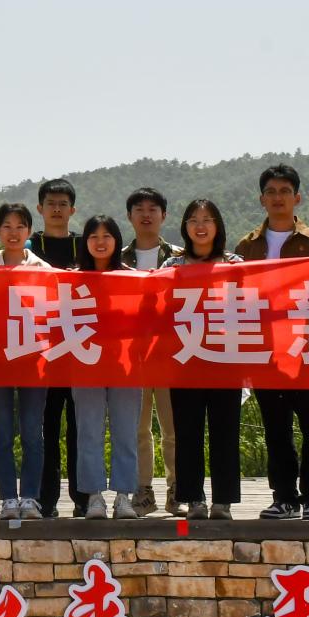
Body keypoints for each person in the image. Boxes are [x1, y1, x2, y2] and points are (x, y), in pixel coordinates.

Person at [235, 163, 309, 521]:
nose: (278, 198)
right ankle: (284, 496)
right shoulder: (247, 246)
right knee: (275, 428)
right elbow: (238, 297)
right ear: (261, 199)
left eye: (284, 191)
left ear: (297, 197)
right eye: (271, 192)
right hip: (265, 349)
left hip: (307, 348)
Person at [167, 199, 245, 519]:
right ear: (185, 226)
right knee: (187, 431)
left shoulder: (235, 263)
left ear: (218, 225)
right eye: (193, 220)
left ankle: (223, 501)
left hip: (225, 358)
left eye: (207, 219)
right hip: (185, 358)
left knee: (225, 430)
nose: (200, 226)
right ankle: (194, 499)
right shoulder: (171, 265)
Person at [74, 215, 141, 520]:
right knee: (89, 431)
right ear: (85, 242)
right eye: (93, 236)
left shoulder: (134, 279)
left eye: (107, 236)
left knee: (126, 431)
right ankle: (94, 497)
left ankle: (124, 496)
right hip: (85, 365)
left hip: (126, 367)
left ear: (117, 240)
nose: (100, 242)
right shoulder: (72, 280)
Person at [0, 203, 49, 519]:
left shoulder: (44, 270)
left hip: (33, 360)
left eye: (20, 226)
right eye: (7, 226)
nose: (13, 233)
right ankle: (8, 498)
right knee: (1, 433)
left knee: (32, 433)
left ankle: (31, 497)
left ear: (29, 231)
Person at [31, 178, 88, 519]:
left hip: (80, 350)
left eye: (62, 203)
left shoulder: (86, 246)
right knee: (45, 430)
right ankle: (46, 499)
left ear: (72, 209)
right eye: (50, 203)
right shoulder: (28, 247)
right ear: (40, 208)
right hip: (41, 352)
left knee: (80, 429)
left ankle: (83, 498)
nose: (56, 209)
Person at [122, 188, 181, 516]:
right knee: (137, 429)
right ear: (129, 216)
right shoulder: (118, 260)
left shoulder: (180, 257)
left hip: (173, 354)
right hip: (132, 356)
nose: (146, 215)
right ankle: (142, 490)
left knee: (174, 429)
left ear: (164, 215)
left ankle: (177, 490)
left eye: (153, 209)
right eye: (139, 209)